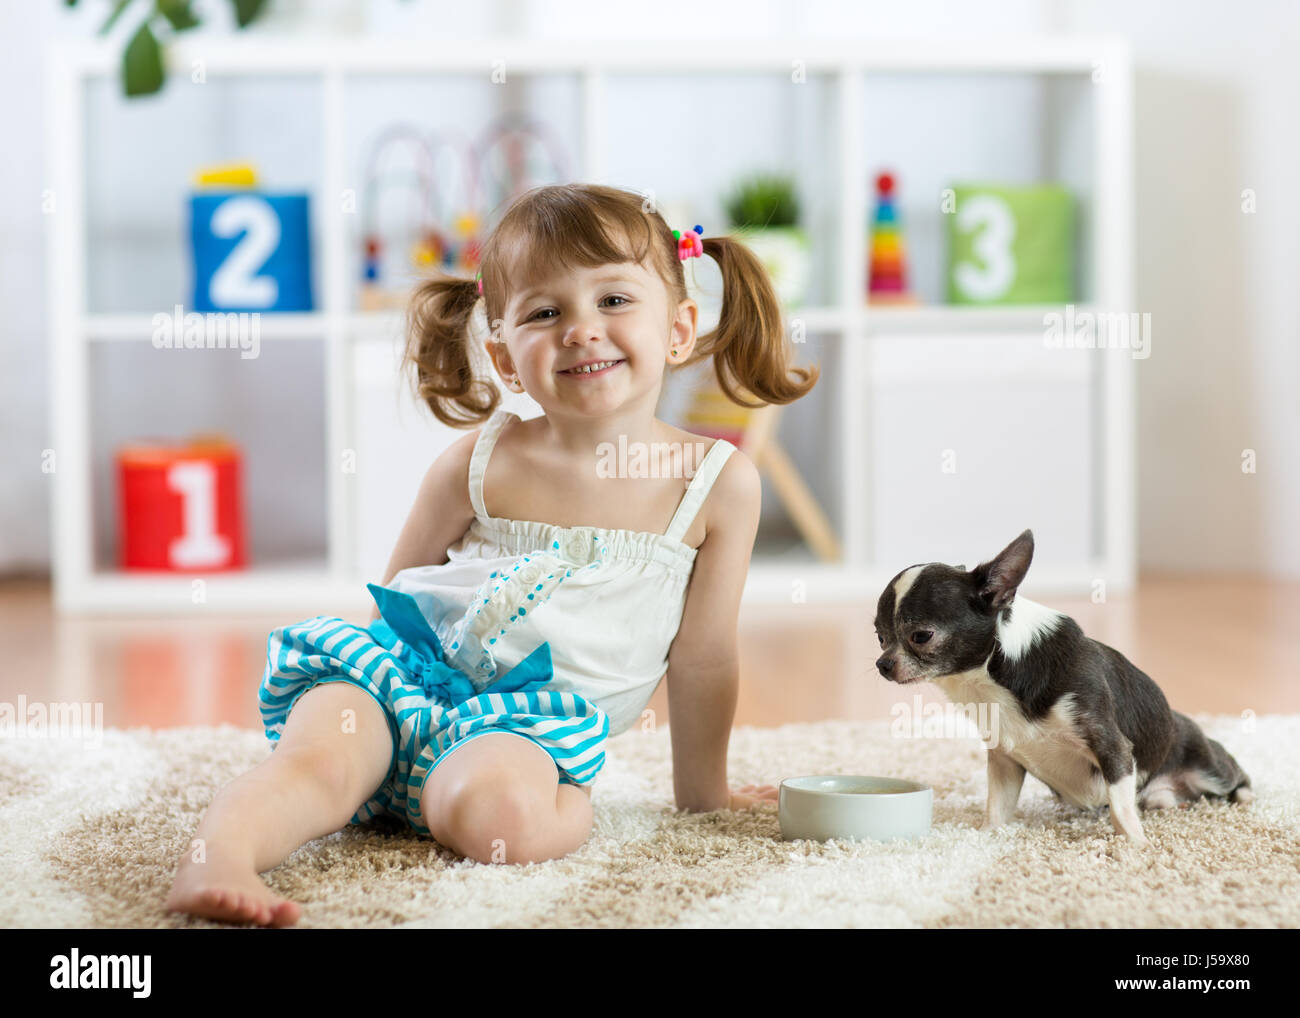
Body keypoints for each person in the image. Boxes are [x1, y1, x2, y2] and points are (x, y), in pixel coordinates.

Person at [165, 182, 819, 927]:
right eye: (547, 312)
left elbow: (703, 658)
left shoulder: (718, 484)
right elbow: (394, 601)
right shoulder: (479, 460)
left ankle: (481, 799)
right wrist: (364, 699)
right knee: (314, 760)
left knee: (503, 818)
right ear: (507, 358)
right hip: (398, 686)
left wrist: (706, 795)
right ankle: (218, 857)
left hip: (521, 731)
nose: (581, 330)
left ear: (678, 329)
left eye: (613, 300)